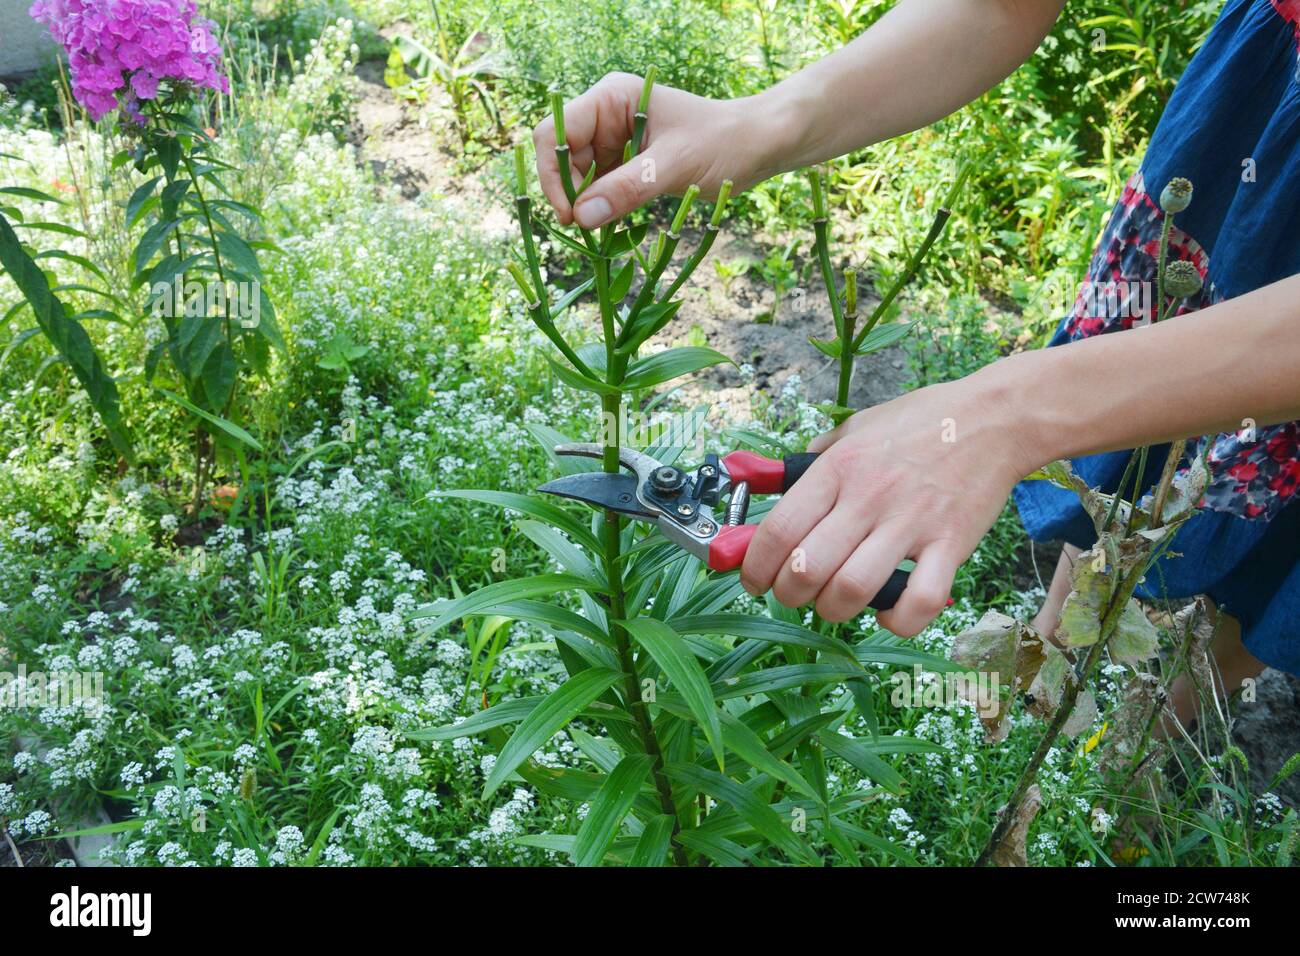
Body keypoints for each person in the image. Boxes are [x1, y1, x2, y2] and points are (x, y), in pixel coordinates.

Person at [531, 0, 1300, 721]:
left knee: (1273, 563)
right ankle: (1048, 718)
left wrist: (1003, 415)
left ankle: (1151, 751)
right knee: (1127, 481)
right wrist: (763, 121)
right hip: (1251, 125)